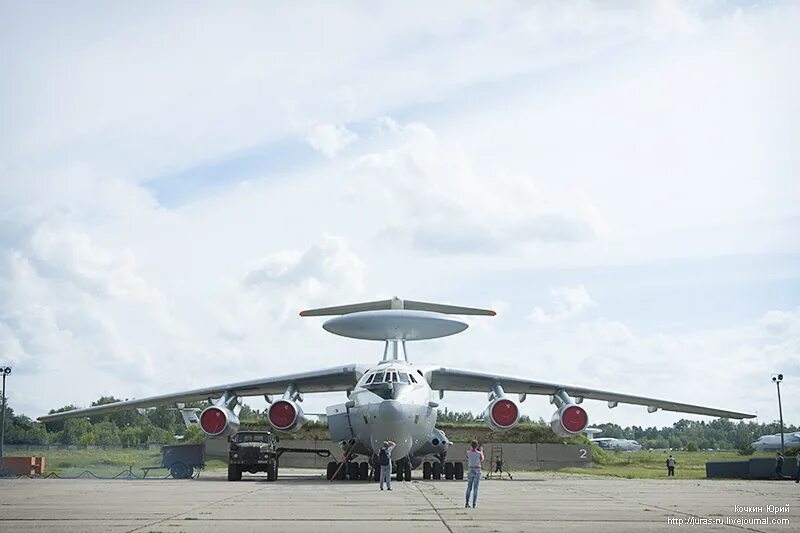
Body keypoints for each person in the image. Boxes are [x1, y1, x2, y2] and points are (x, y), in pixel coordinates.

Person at [465, 440, 484, 508]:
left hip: (470, 470)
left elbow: (467, 457)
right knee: (475, 488)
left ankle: (467, 503)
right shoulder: (479, 453)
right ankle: (474, 504)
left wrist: (471, 449)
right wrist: (481, 450)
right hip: (477, 470)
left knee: (469, 487)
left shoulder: (468, 453)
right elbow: (482, 459)